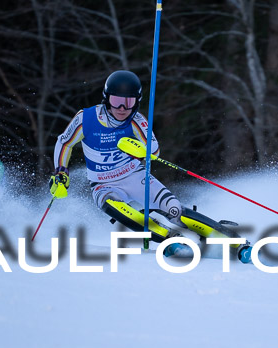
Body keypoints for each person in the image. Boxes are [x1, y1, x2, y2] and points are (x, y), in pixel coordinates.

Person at [49, 70, 252, 262]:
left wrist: (141, 150)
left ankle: (237, 244)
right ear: (106, 98)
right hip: (104, 184)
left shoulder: (136, 120)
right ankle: (171, 240)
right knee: (121, 210)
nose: (122, 108)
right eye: (117, 101)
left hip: (135, 177)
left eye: (128, 102)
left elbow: (154, 150)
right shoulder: (86, 118)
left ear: (136, 102)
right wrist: (61, 173)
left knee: (174, 210)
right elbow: (64, 142)